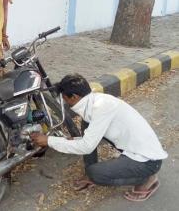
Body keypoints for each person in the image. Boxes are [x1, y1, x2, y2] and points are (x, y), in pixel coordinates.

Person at [31, 74, 168, 202]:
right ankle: (92, 173)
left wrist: (48, 140)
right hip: (132, 146)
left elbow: (86, 146)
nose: (64, 101)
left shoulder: (101, 108)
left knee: (96, 174)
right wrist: (72, 141)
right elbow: (88, 140)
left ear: (74, 97)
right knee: (87, 123)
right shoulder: (96, 102)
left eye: (65, 98)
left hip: (148, 161)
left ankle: (146, 179)